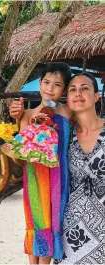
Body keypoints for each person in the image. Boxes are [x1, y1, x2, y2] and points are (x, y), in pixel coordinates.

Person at [9, 62, 72, 264]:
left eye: (57, 85)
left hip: (58, 177)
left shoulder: (67, 112)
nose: (50, 89)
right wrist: (20, 120)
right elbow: (20, 155)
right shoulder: (27, 115)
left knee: (53, 220)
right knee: (36, 221)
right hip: (35, 177)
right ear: (39, 83)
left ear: (64, 89)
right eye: (46, 82)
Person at [54, 73, 105, 264]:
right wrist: (20, 117)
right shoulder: (63, 137)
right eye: (72, 90)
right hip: (72, 229)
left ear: (96, 96)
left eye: (85, 88)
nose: (78, 94)